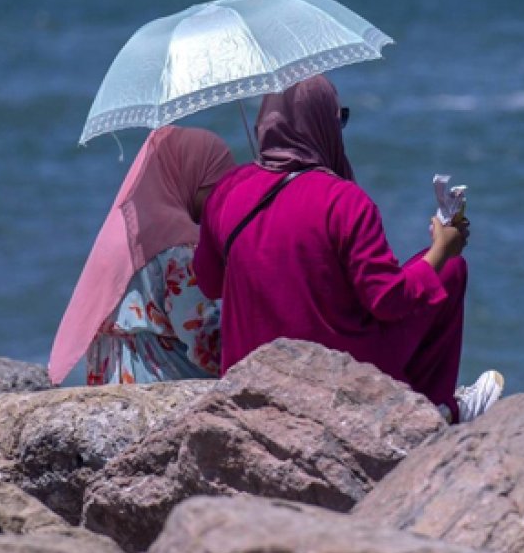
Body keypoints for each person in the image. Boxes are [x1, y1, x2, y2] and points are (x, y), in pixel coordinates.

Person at [193, 75, 503, 422]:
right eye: (337, 117)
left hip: (249, 372)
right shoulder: (342, 200)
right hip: (336, 371)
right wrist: (441, 250)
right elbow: (388, 300)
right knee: (448, 272)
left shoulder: (228, 190)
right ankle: (432, 411)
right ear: (323, 124)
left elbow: (208, 282)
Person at [48, 126, 235, 386]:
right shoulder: (179, 247)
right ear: (191, 177)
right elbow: (203, 339)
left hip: (111, 379)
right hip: (158, 380)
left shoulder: (121, 232)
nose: (220, 199)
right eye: (214, 187)